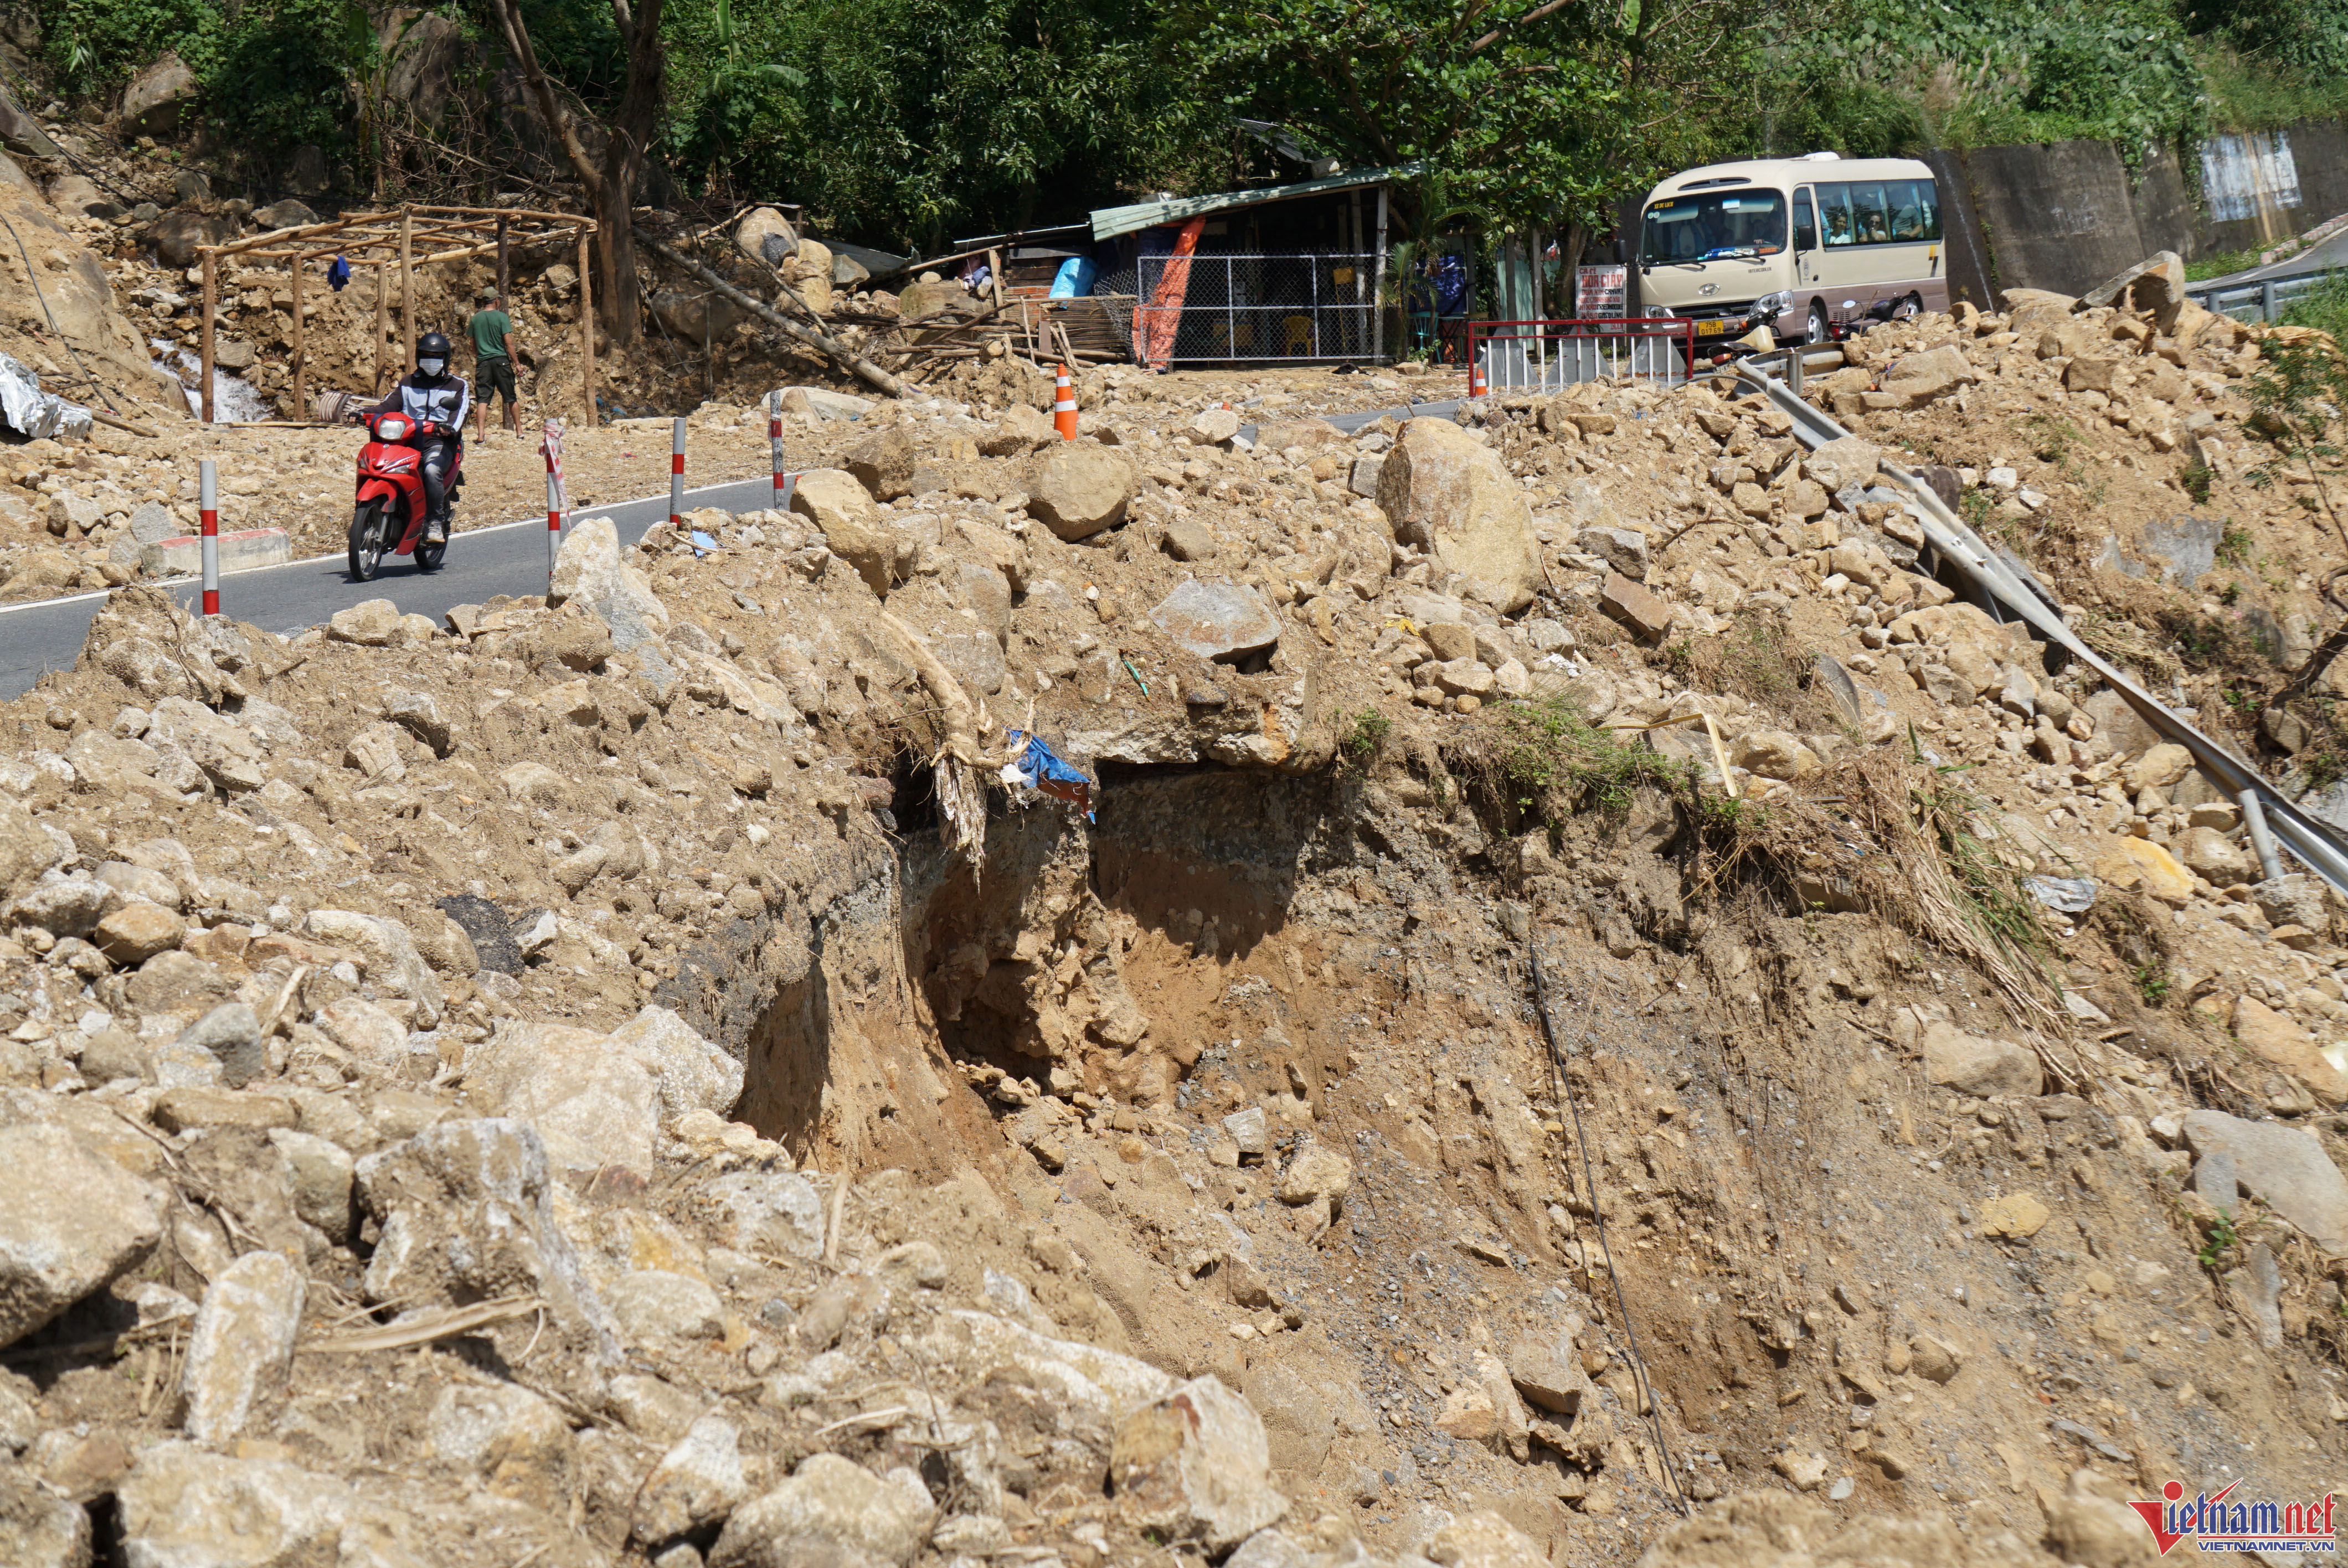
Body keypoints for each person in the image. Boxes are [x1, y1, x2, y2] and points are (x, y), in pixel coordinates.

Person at [360, 331, 468, 544]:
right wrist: (363, 413)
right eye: (427, 356)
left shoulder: (457, 385)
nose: (431, 361)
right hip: (406, 440)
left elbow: (460, 414)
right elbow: (388, 405)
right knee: (377, 464)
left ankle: (435, 522)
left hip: (439, 442)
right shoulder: (407, 382)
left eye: (436, 357)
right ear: (419, 357)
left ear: (445, 359)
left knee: (431, 470)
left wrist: (449, 429)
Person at [468, 289, 520, 440]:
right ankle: (520, 431)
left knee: (482, 400)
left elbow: (472, 343)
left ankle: (481, 435)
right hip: (501, 361)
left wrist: (479, 355)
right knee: (511, 397)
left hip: (483, 362)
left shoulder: (475, 319)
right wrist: (517, 363)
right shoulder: (502, 317)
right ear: (496, 301)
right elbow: (508, 342)